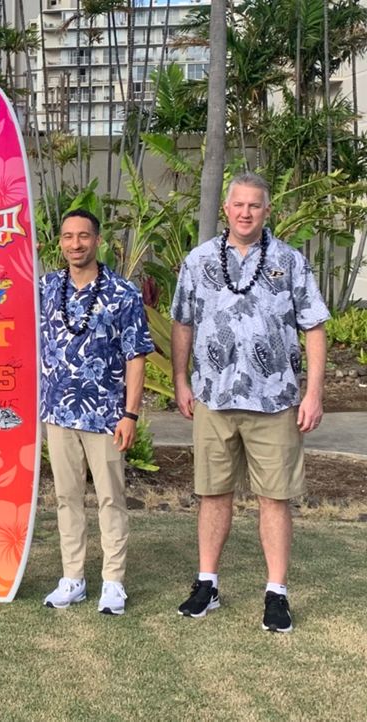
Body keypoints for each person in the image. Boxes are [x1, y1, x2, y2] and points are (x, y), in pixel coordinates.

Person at [171, 172, 329, 633]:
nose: (245, 212)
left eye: (254, 206)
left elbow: (314, 326)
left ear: (267, 210)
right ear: (226, 209)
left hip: (275, 401)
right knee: (212, 493)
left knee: (274, 499)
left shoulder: (290, 262)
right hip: (214, 399)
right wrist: (181, 381)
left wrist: (314, 393)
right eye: (238, 205)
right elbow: (182, 322)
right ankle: (207, 584)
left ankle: (276, 592)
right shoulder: (199, 261)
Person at [38, 209, 153, 616]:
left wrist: (131, 413)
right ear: (60, 242)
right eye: (68, 237)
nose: (75, 244)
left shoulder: (122, 293)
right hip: (57, 412)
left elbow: (136, 355)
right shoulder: (46, 288)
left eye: (83, 236)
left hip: (105, 414)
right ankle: (72, 578)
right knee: (67, 498)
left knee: (110, 498)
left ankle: (113, 582)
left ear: (97, 240)